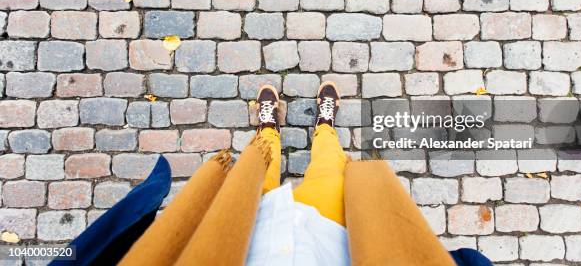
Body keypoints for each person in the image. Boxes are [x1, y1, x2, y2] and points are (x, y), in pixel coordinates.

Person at [58, 82, 492, 266]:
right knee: (329, 167)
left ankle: (270, 130)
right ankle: (324, 127)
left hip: (239, 236)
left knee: (256, 171)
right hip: (337, 239)